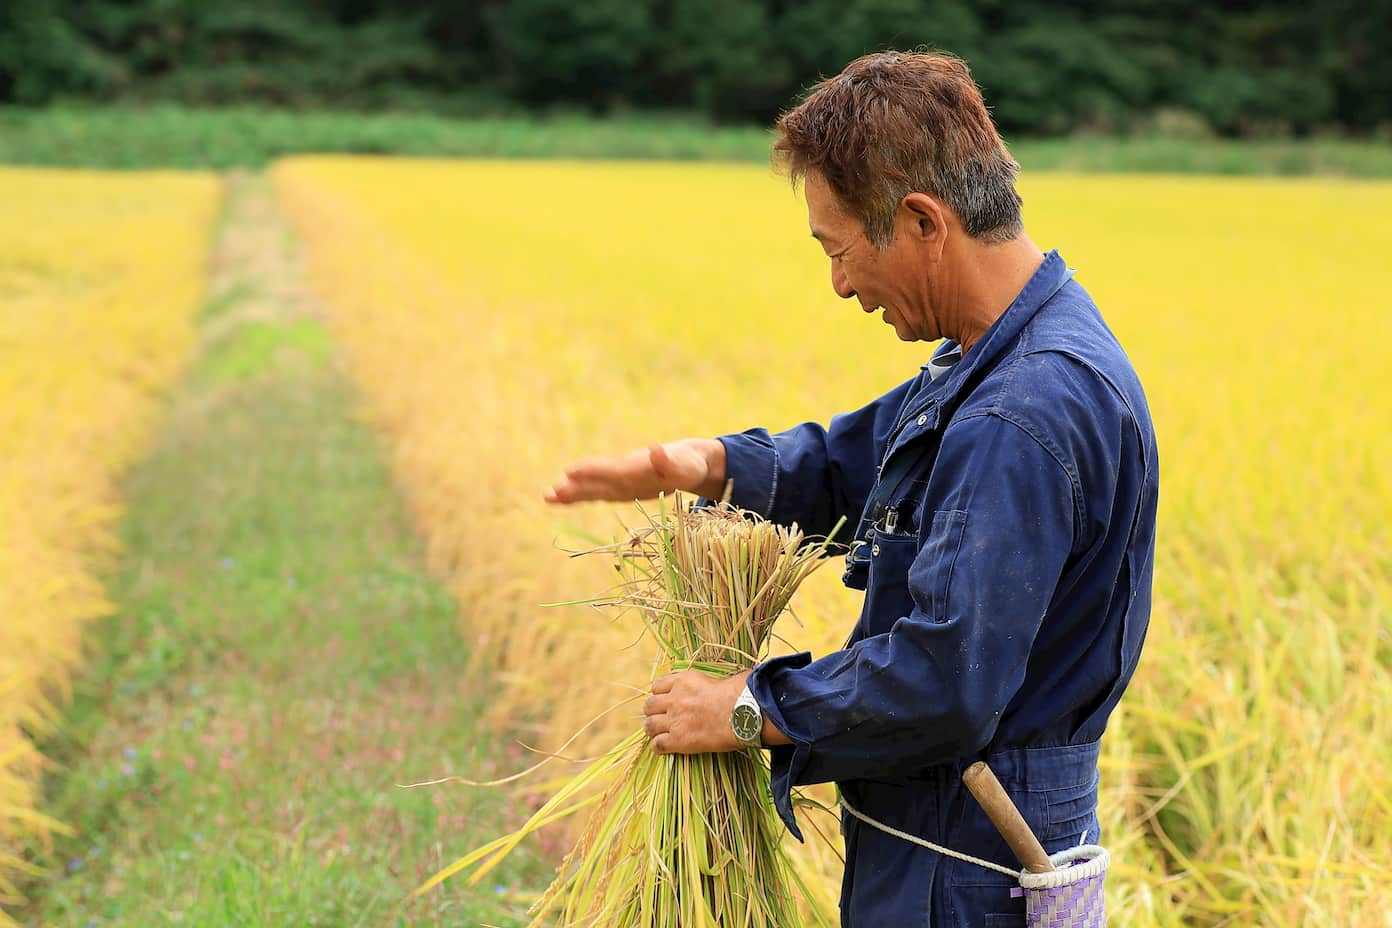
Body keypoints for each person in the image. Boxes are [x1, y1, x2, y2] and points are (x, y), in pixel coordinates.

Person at [544, 50, 1158, 927]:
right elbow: (856, 460)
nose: (839, 284)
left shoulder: (1020, 413)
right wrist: (708, 464)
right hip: (964, 831)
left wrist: (750, 708)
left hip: (968, 857)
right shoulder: (1003, 355)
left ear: (920, 221)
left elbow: (942, 680)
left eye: (837, 249)